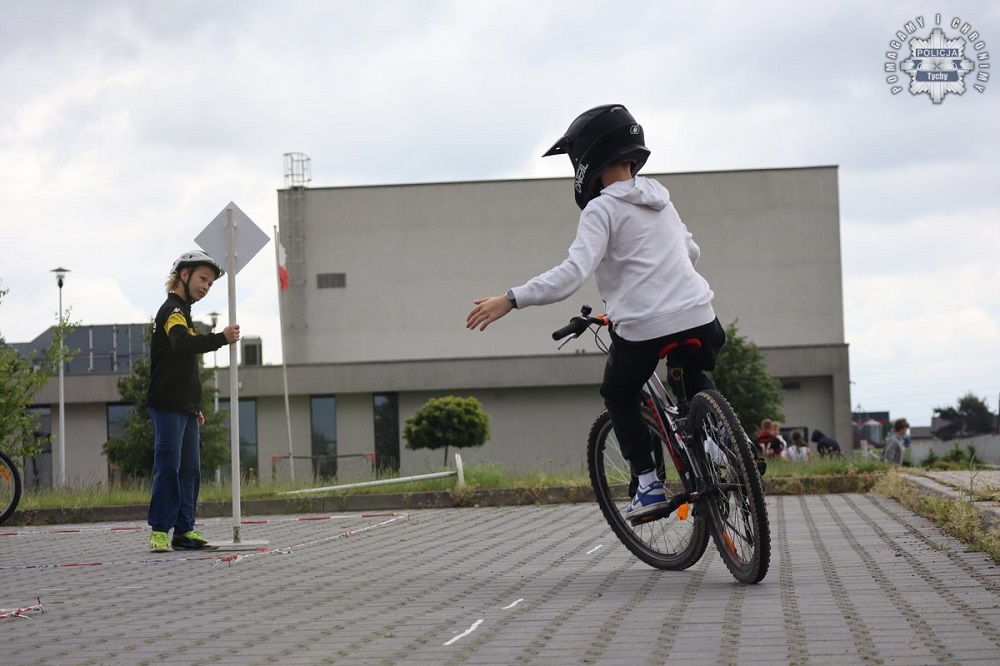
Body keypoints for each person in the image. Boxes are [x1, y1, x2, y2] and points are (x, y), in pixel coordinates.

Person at [466, 104, 726, 521]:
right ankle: (727, 442)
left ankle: (648, 484)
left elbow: (572, 274)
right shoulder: (661, 197)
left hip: (644, 327)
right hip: (701, 314)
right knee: (694, 376)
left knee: (619, 393)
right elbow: (690, 251)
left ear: (587, 159)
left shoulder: (601, 209)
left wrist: (511, 298)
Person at [147, 250, 240, 553]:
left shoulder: (184, 312)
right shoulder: (172, 310)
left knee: (190, 470)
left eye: (211, 283)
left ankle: (184, 531)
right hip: (167, 405)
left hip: (185, 406)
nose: (206, 287)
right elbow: (182, 344)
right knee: (168, 467)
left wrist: (195, 405)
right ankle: (160, 531)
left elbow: (184, 367)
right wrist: (220, 338)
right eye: (203, 279)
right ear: (183, 275)